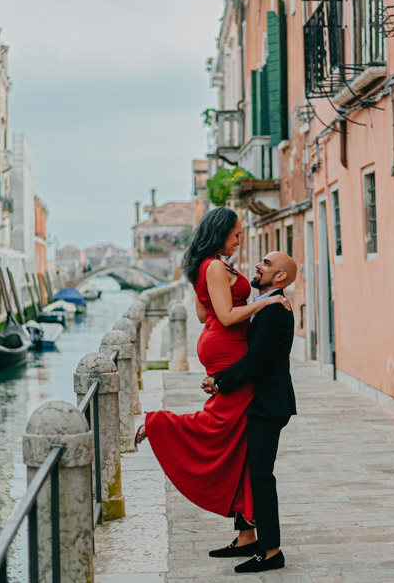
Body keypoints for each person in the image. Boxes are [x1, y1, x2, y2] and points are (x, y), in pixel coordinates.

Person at [134, 207, 287, 527]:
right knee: (219, 422)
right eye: (236, 235)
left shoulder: (204, 266)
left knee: (234, 432)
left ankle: (246, 523)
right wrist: (265, 301)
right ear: (221, 233)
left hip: (216, 341)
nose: (240, 241)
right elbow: (228, 316)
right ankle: (159, 424)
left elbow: (205, 316)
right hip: (227, 344)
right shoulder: (215, 266)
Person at [201, 251, 297, 574]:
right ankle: (246, 538)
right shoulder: (262, 307)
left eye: (267, 264)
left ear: (280, 278)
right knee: (247, 468)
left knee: (260, 475)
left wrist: (220, 382)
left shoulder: (277, 312)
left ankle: (271, 550)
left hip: (269, 405)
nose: (259, 265)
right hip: (257, 401)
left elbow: (254, 360)